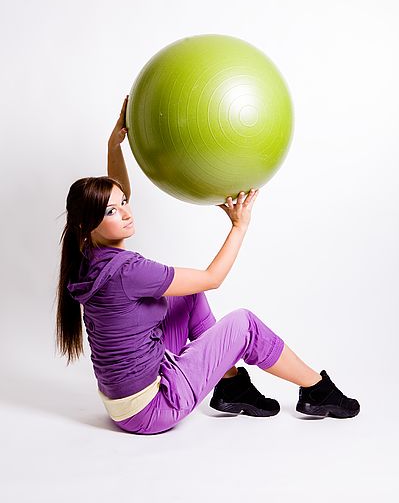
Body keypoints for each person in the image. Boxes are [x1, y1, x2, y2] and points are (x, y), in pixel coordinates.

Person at [55, 96, 360, 435]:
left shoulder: (87, 258)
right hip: (155, 408)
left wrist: (115, 145)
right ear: (89, 224)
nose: (127, 212)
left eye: (124, 203)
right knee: (244, 324)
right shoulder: (128, 271)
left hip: (125, 404)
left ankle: (231, 387)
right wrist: (239, 226)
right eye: (113, 211)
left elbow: (113, 198)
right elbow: (213, 278)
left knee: (187, 295)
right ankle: (317, 390)